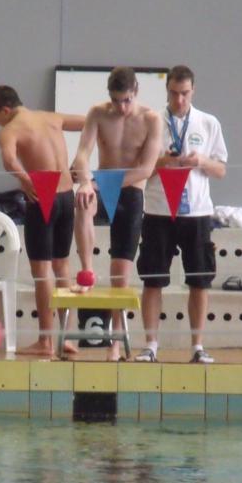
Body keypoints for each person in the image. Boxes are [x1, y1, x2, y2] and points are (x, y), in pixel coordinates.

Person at [135, 65, 227, 364]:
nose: (179, 100)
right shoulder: (151, 122)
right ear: (167, 91)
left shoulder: (208, 122)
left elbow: (221, 170)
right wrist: (163, 162)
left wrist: (201, 161)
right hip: (158, 210)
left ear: (193, 91)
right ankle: (150, 345)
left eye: (184, 93)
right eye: (174, 93)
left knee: (200, 281)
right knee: (152, 279)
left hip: (197, 212)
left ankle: (198, 346)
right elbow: (138, 169)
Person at [0, 85, 85, 357]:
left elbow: (9, 160)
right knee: (62, 267)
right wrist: (82, 159)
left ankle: (46, 341)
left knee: (42, 271)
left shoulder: (9, 130)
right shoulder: (52, 117)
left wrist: (26, 180)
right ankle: (67, 338)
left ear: (6, 110)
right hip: (66, 197)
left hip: (42, 197)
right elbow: (91, 123)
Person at [72, 67, 163, 361]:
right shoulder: (98, 113)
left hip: (130, 192)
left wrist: (103, 183)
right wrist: (86, 182)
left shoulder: (151, 119)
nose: (121, 107)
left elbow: (145, 169)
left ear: (136, 92)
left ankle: (115, 342)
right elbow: (82, 154)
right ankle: (86, 272)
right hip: (100, 184)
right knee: (82, 201)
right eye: (116, 100)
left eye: (126, 100)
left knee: (120, 278)